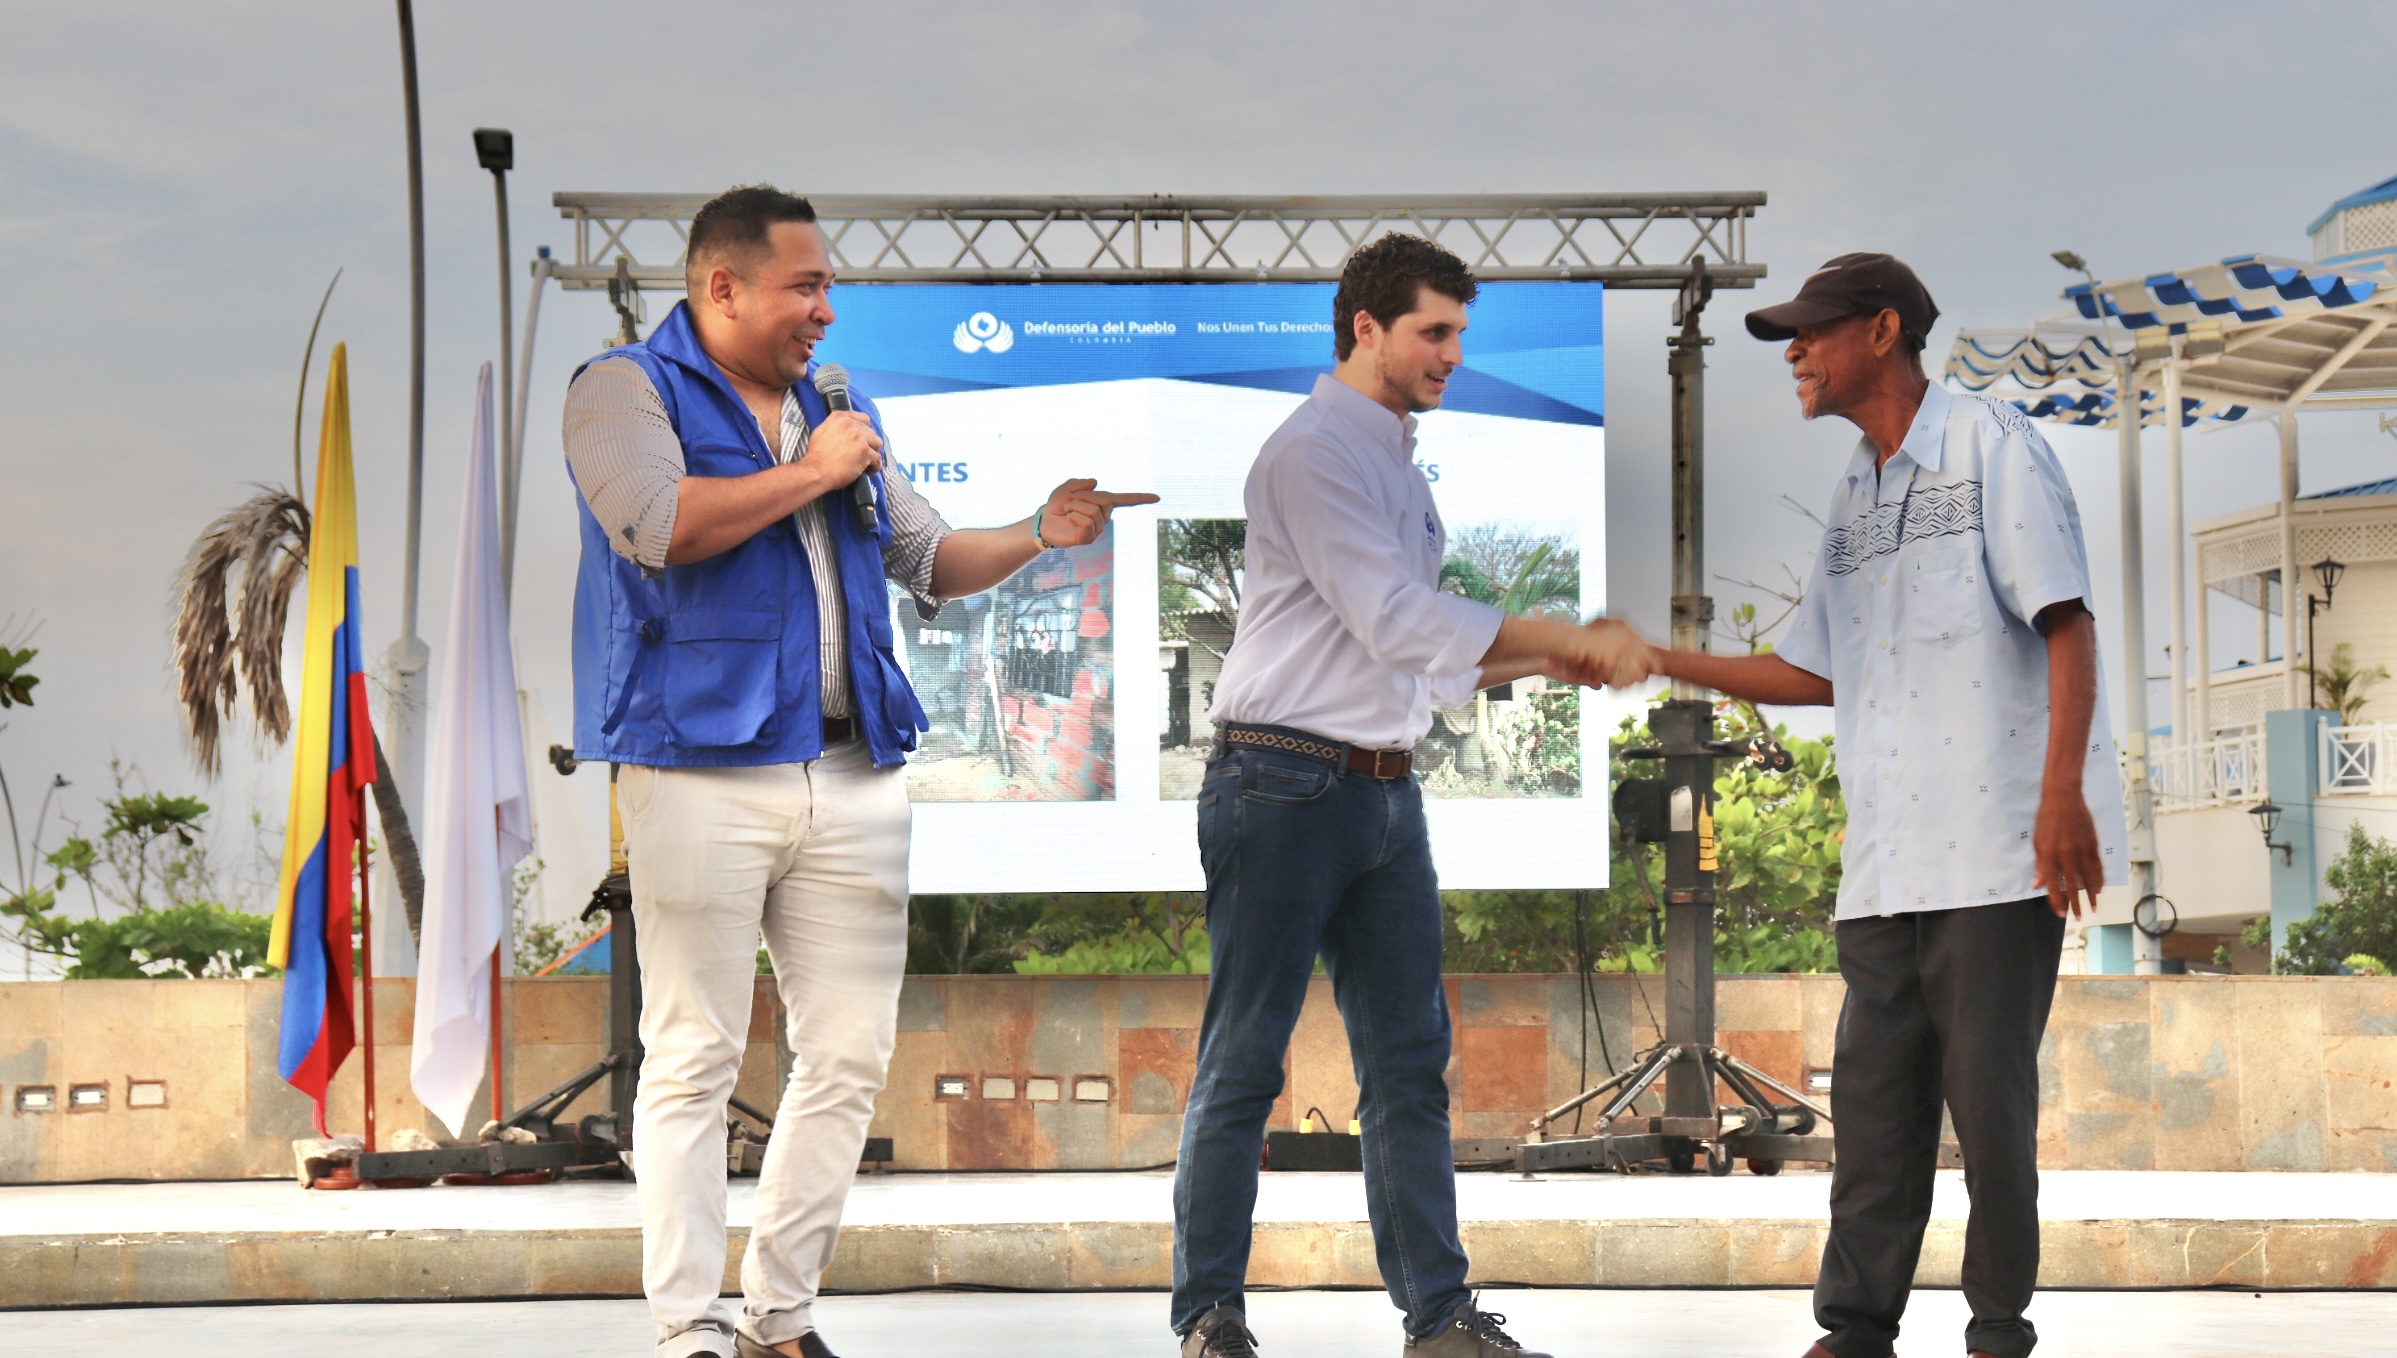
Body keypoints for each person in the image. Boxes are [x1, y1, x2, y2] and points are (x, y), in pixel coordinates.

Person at [561, 183, 1155, 1358]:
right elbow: (657, 523)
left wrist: (1038, 529)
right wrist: (815, 468)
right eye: (806, 286)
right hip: (699, 766)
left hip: (853, 766)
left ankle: (779, 1314)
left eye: (829, 285)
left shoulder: (840, 410)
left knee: (846, 1054)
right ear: (723, 286)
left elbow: (930, 556)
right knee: (694, 1052)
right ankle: (688, 1325)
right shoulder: (624, 388)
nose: (827, 310)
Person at [1595, 253, 2124, 1358]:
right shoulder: (1854, 492)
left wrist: (2062, 796)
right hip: (1885, 865)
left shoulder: (1993, 446)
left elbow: (2066, 621)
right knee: (1876, 1112)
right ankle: (1855, 1329)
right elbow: (1814, 669)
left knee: (1989, 1113)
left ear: (1882, 331)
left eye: (1812, 329)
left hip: (1996, 851)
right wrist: (1660, 657)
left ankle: (1996, 1329)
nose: (1794, 350)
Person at [1171, 233, 1645, 1358]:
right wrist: (1559, 633)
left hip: (1385, 794)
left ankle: (1439, 1319)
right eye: (1435, 331)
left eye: (1460, 334)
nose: (1452, 353)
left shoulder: (1397, 468)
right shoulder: (1312, 453)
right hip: (1279, 781)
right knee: (1246, 1060)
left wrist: (1551, 658)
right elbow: (1394, 618)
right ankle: (1209, 1317)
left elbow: (1425, 662)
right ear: (1366, 328)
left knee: (1407, 1067)